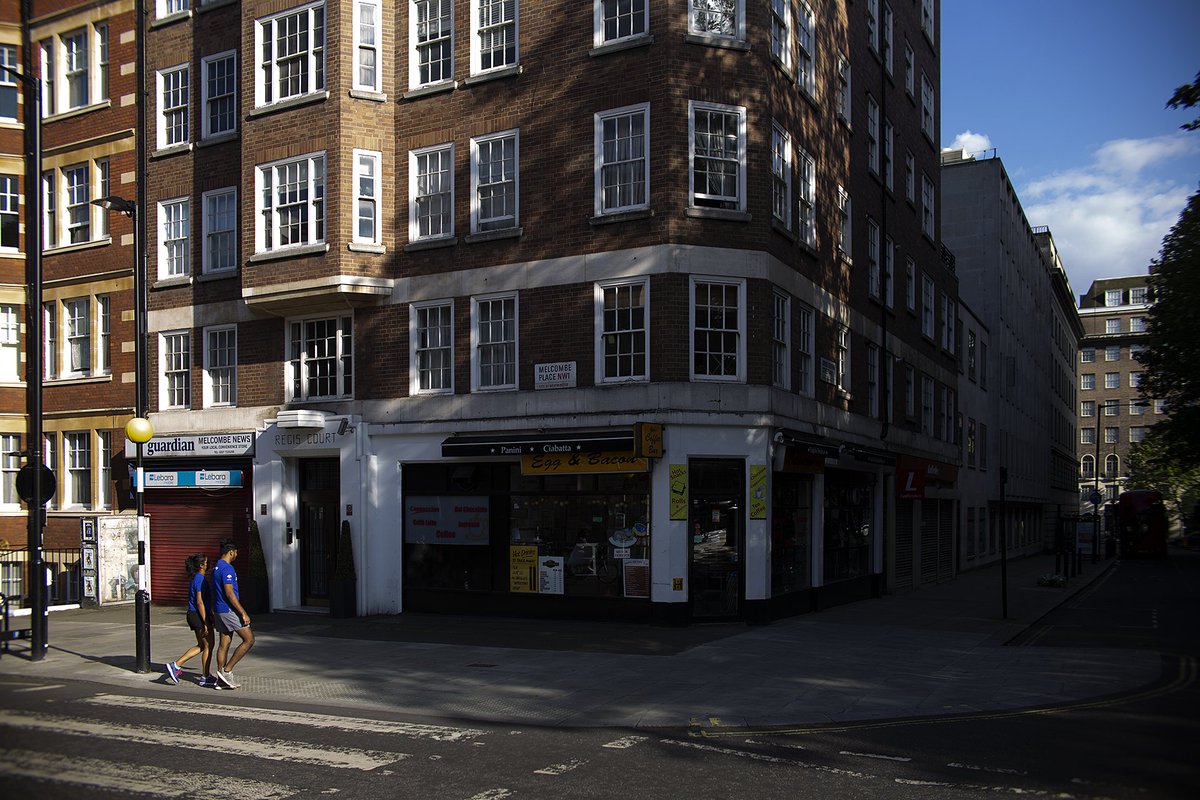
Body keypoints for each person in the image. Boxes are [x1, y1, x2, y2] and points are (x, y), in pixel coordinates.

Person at [164, 554, 217, 687]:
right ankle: (204, 677)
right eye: (206, 562)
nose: (208, 564)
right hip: (197, 615)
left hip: (194, 615)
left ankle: (176, 666)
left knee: (201, 645)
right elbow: (199, 602)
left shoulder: (196, 578)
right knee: (208, 646)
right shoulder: (200, 578)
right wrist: (205, 622)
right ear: (201, 565)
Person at [212, 538, 254, 689]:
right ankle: (227, 671)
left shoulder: (216, 566)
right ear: (231, 552)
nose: (236, 555)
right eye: (235, 552)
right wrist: (243, 612)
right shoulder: (228, 568)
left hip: (218, 609)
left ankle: (220, 678)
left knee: (224, 643)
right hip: (228, 610)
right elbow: (229, 593)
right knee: (249, 639)